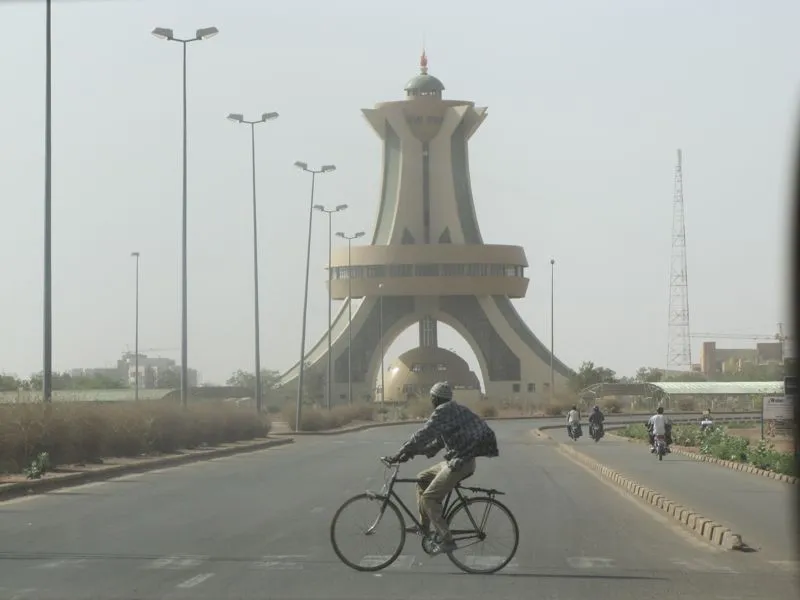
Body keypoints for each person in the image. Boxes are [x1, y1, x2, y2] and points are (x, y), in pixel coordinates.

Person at [388, 381, 499, 555]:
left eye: (431, 398)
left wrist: (401, 450)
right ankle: (424, 526)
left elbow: (423, 434)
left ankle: (447, 540)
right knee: (422, 478)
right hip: (457, 460)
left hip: (460, 463)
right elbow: (436, 443)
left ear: (435, 398)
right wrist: (411, 453)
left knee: (429, 498)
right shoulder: (454, 410)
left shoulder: (443, 411)